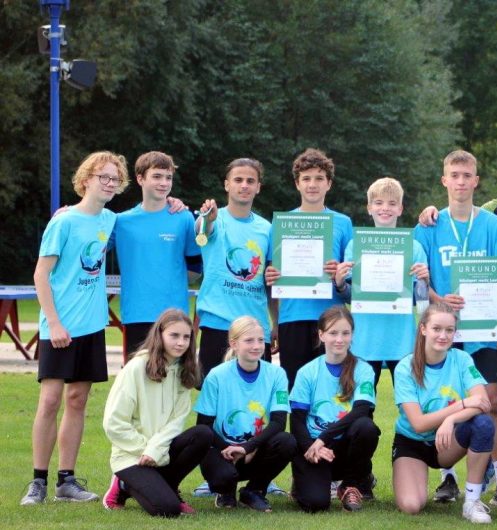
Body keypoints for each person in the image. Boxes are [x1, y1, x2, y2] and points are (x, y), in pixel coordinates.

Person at [413, 150, 497, 505]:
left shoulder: (493, 226)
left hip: (482, 332)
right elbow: (417, 282)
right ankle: (447, 478)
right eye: (454, 175)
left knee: (488, 403)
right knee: (442, 402)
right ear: (444, 180)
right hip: (441, 333)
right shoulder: (427, 226)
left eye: (467, 175)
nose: (460, 181)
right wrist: (440, 299)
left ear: (476, 181)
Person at [22, 151, 127, 505]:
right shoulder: (63, 222)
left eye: (115, 179)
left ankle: (66, 481)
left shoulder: (111, 219)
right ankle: (38, 481)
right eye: (104, 177)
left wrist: (172, 202)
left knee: (78, 400)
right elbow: (41, 274)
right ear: (86, 180)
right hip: (59, 326)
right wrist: (53, 323)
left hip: (92, 326)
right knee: (50, 400)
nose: (110, 183)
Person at [392, 303, 496, 523]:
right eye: (436, 328)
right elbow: (419, 424)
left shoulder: (462, 359)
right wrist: (460, 406)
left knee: (484, 424)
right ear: (423, 329)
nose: (443, 335)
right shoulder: (405, 367)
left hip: (447, 442)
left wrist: (451, 419)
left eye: (449, 330)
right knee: (412, 506)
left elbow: (483, 402)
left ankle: (471, 502)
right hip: (413, 442)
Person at [101, 309, 211, 516]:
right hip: (131, 455)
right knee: (167, 510)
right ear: (159, 335)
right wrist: (145, 449)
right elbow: (113, 423)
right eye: (174, 335)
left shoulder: (184, 370)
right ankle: (122, 484)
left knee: (202, 435)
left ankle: (168, 486)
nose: (180, 342)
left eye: (186, 337)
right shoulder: (136, 368)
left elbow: (176, 422)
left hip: (159, 450)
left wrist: (155, 450)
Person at [266, 148, 353, 389]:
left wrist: (340, 275)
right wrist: (274, 321)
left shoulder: (343, 223)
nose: (312, 184)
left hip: (331, 319)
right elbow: (271, 282)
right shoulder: (281, 224)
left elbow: (351, 283)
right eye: (306, 178)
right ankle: (295, 430)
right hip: (292, 318)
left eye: (319, 178)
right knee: (294, 389)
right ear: (297, 184)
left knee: (331, 390)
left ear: (329, 184)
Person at [334, 177, 429, 391]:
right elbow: (351, 297)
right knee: (361, 409)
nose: (385, 208)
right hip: (364, 341)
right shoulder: (354, 246)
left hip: (403, 342)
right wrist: (340, 283)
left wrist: (424, 282)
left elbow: (420, 303)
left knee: (410, 406)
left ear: (400, 209)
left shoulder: (413, 247)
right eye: (378, 203)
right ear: (369, 208)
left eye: (392, 203)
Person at [195, 316, 296, 512]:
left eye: (260, 340)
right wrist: (229, 449)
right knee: (224, 476)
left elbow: (278, 422)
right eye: (249, 340)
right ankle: (226, 492)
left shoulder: (277, 375)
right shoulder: (216, 376)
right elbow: (203, 425)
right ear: (234, 343)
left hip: (254, 451)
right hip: (222, 451)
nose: (257, 346)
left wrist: (248, 448)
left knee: (287, 441)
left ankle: (254, 490)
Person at [290, 306, 380, 512]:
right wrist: (312, 447)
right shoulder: (307, 372)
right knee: (316, 504)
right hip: (316, 449)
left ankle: (351, 484)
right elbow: (296, 421)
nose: (339, 339)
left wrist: (325, 437)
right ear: (321, 335)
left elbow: (361, 410)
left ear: (352, 335)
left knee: (366, 427)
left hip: (344, 449)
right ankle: (303, 480)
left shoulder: (364, 369)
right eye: (333, 333)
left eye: (345, 333)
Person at [113, 151, 201, 356]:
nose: (164, 183)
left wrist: (170, 279)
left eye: (168, 177)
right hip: (136, 313)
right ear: (140, 178)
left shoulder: (183, 217)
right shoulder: (120, 222)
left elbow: (195, 268)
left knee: (175, 380)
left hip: (175, 316)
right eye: (157, 176)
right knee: (139, 380)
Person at [194, 159, 273, 380]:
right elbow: (203, 230)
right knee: (214, 399)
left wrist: (274, 323)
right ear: (227, 184)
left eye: (250, 181)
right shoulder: (212, 218)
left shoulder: (267, 229)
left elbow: (270, 282)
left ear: (258, 187)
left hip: (256, 328)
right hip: (218, 325)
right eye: (238, 180)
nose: (244, 185)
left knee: (254, 398)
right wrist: (208, 219)